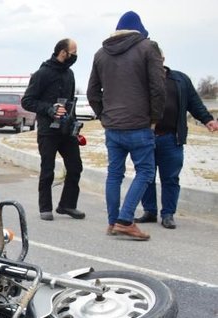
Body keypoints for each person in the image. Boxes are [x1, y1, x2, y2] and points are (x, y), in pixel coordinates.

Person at [87, 11, 166, 240]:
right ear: (139, 30)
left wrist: (104, 116)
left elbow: (92, 92)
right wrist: (154, 119)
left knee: (114, 174)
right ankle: (125, 220)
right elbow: (158, 88)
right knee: (146, 171)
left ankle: (113, 222)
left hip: (112, 127)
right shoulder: (148, 47)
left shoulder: (101, 53)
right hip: (139, 125)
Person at [134, 64, 218, 229]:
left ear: (162, 59)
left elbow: (194, 103)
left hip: (171, 138)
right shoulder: (141, 79)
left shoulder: (180, 79)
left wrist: (207, 119)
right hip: (145, 138)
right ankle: (149, 211)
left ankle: (168, 214)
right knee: (146, 177)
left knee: (171, 178)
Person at [22, 38, 85, 221]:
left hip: (67, 131)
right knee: (47, 169)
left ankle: (67, 205)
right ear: (63, 53)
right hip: (48, 131)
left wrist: (74, 123)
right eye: (73, 52)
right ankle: (45, 208)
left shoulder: (70, 74)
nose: (75, 56)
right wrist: (49, 109)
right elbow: (27, 101)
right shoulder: (42, 73)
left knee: (75, 167)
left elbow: (70, 102)